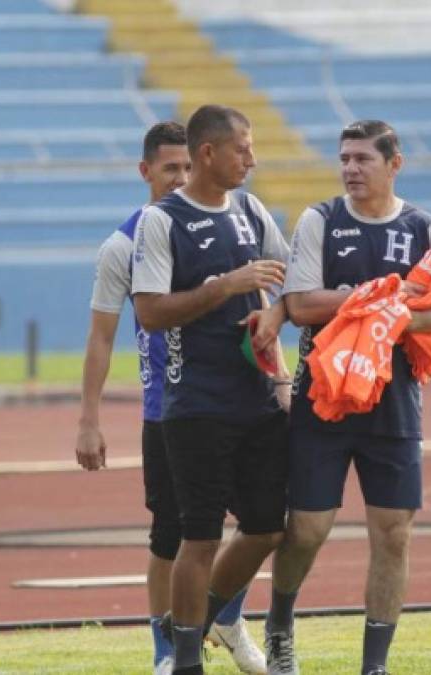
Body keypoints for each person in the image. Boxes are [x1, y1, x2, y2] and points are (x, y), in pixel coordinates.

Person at [265, 120, 431, 675]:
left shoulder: (424, 227)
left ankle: (374, 665)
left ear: (394, 164)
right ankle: (280, 623)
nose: (351, 169)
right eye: (345, 159)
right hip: (323, 398)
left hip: (394, 401)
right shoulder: (321, 219)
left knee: (393, 534)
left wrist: (400, 314)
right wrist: (377, 297)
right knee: (307, 530)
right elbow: (302, 305)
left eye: (363, 159)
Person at [75, 121, 269, 675]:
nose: (181, 178)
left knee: (258, 521)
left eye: (188, 167)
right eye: (169, 169)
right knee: (173, 534)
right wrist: (89, 419)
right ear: (145, 172)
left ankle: (226, 617)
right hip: (169, 410)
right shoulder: (123, 244)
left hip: (240, 399)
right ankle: (168, 649)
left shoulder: (233, 219)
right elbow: (102, 335)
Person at [131, 106, 292, 675]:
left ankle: (212, 617)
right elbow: (150, 312)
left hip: (259, 399)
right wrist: (226, 287)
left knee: (270, 526)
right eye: (241, 149)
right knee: (197, 540)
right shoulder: (161, 221)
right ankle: (185, 662)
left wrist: (275, 332)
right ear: (208, 153)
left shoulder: (251, 210)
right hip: (195, 406)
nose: (251, 159)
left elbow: (288, 284)